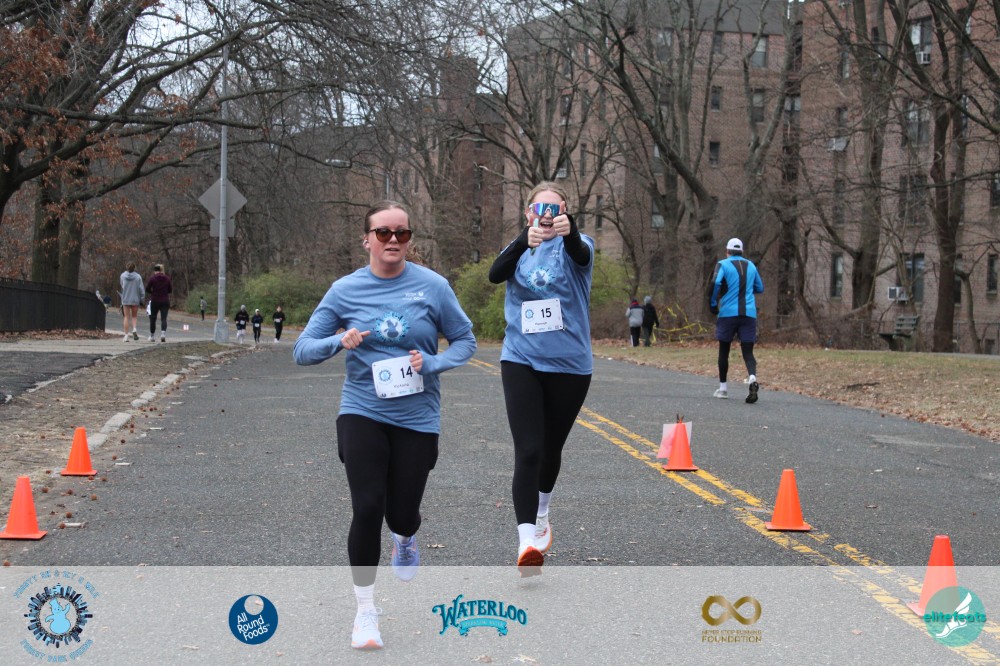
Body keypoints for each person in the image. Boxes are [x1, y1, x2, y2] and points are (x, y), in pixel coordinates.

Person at [294, 200, 475, 650]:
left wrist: (432, 362)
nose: (393, 239)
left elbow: (465, 341)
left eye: (402, 233)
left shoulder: (433, 287)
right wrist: (339, 340)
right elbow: (302, 349)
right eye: (383, 232)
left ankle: (406, 537)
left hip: (417, 416)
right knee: (367, 506)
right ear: (367, 239)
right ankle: (365, 612)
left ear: (409, 239)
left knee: (401, 514)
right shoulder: (344, 291)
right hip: (363, 411)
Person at [488, 181, 594, 577]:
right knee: (529, 450)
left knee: (550, 450)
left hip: (570, 365)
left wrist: (571, 231)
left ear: (564, 211)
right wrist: (521, 241)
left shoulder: (578, 244)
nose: (547, 216)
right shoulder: (518, 247)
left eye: (555, 209)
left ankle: (543, 511)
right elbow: (495, 275)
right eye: (539, 208)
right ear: (528, 212)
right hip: (521, 360)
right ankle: (526, 543)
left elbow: (580, 253)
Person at [708, 238, 764, 403]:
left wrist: (713, 304)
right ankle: (752, 378)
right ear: (742, 251)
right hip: (749, 314)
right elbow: (760, 287)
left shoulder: (722, 264)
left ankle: (723, 389)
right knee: (748, 351)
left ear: (727, 251)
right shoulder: (751, 265)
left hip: (728, 313)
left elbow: (715, 283)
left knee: (724, 349)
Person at [145, 264, 172, 342]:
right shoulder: (167, 279)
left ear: (155, 271)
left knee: (153, 318)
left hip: (155, 300)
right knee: (164, 318)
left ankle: (152, 336)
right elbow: (170, 290)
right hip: (165, 300)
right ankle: (163, 334)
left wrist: (153, 292)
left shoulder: (152, 278)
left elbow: (147, 289)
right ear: (161, 270)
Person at [119, 263, 144, 342]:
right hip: (135, 299)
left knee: (126, 317)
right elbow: (141, 289)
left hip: (126, 298)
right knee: (134, 316)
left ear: (127, 267)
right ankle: (134, 329)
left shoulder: (123, 276)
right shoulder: (138, 277)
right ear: (134, 268)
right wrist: (142, 298)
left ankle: (126, 336)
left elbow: (122, 285)